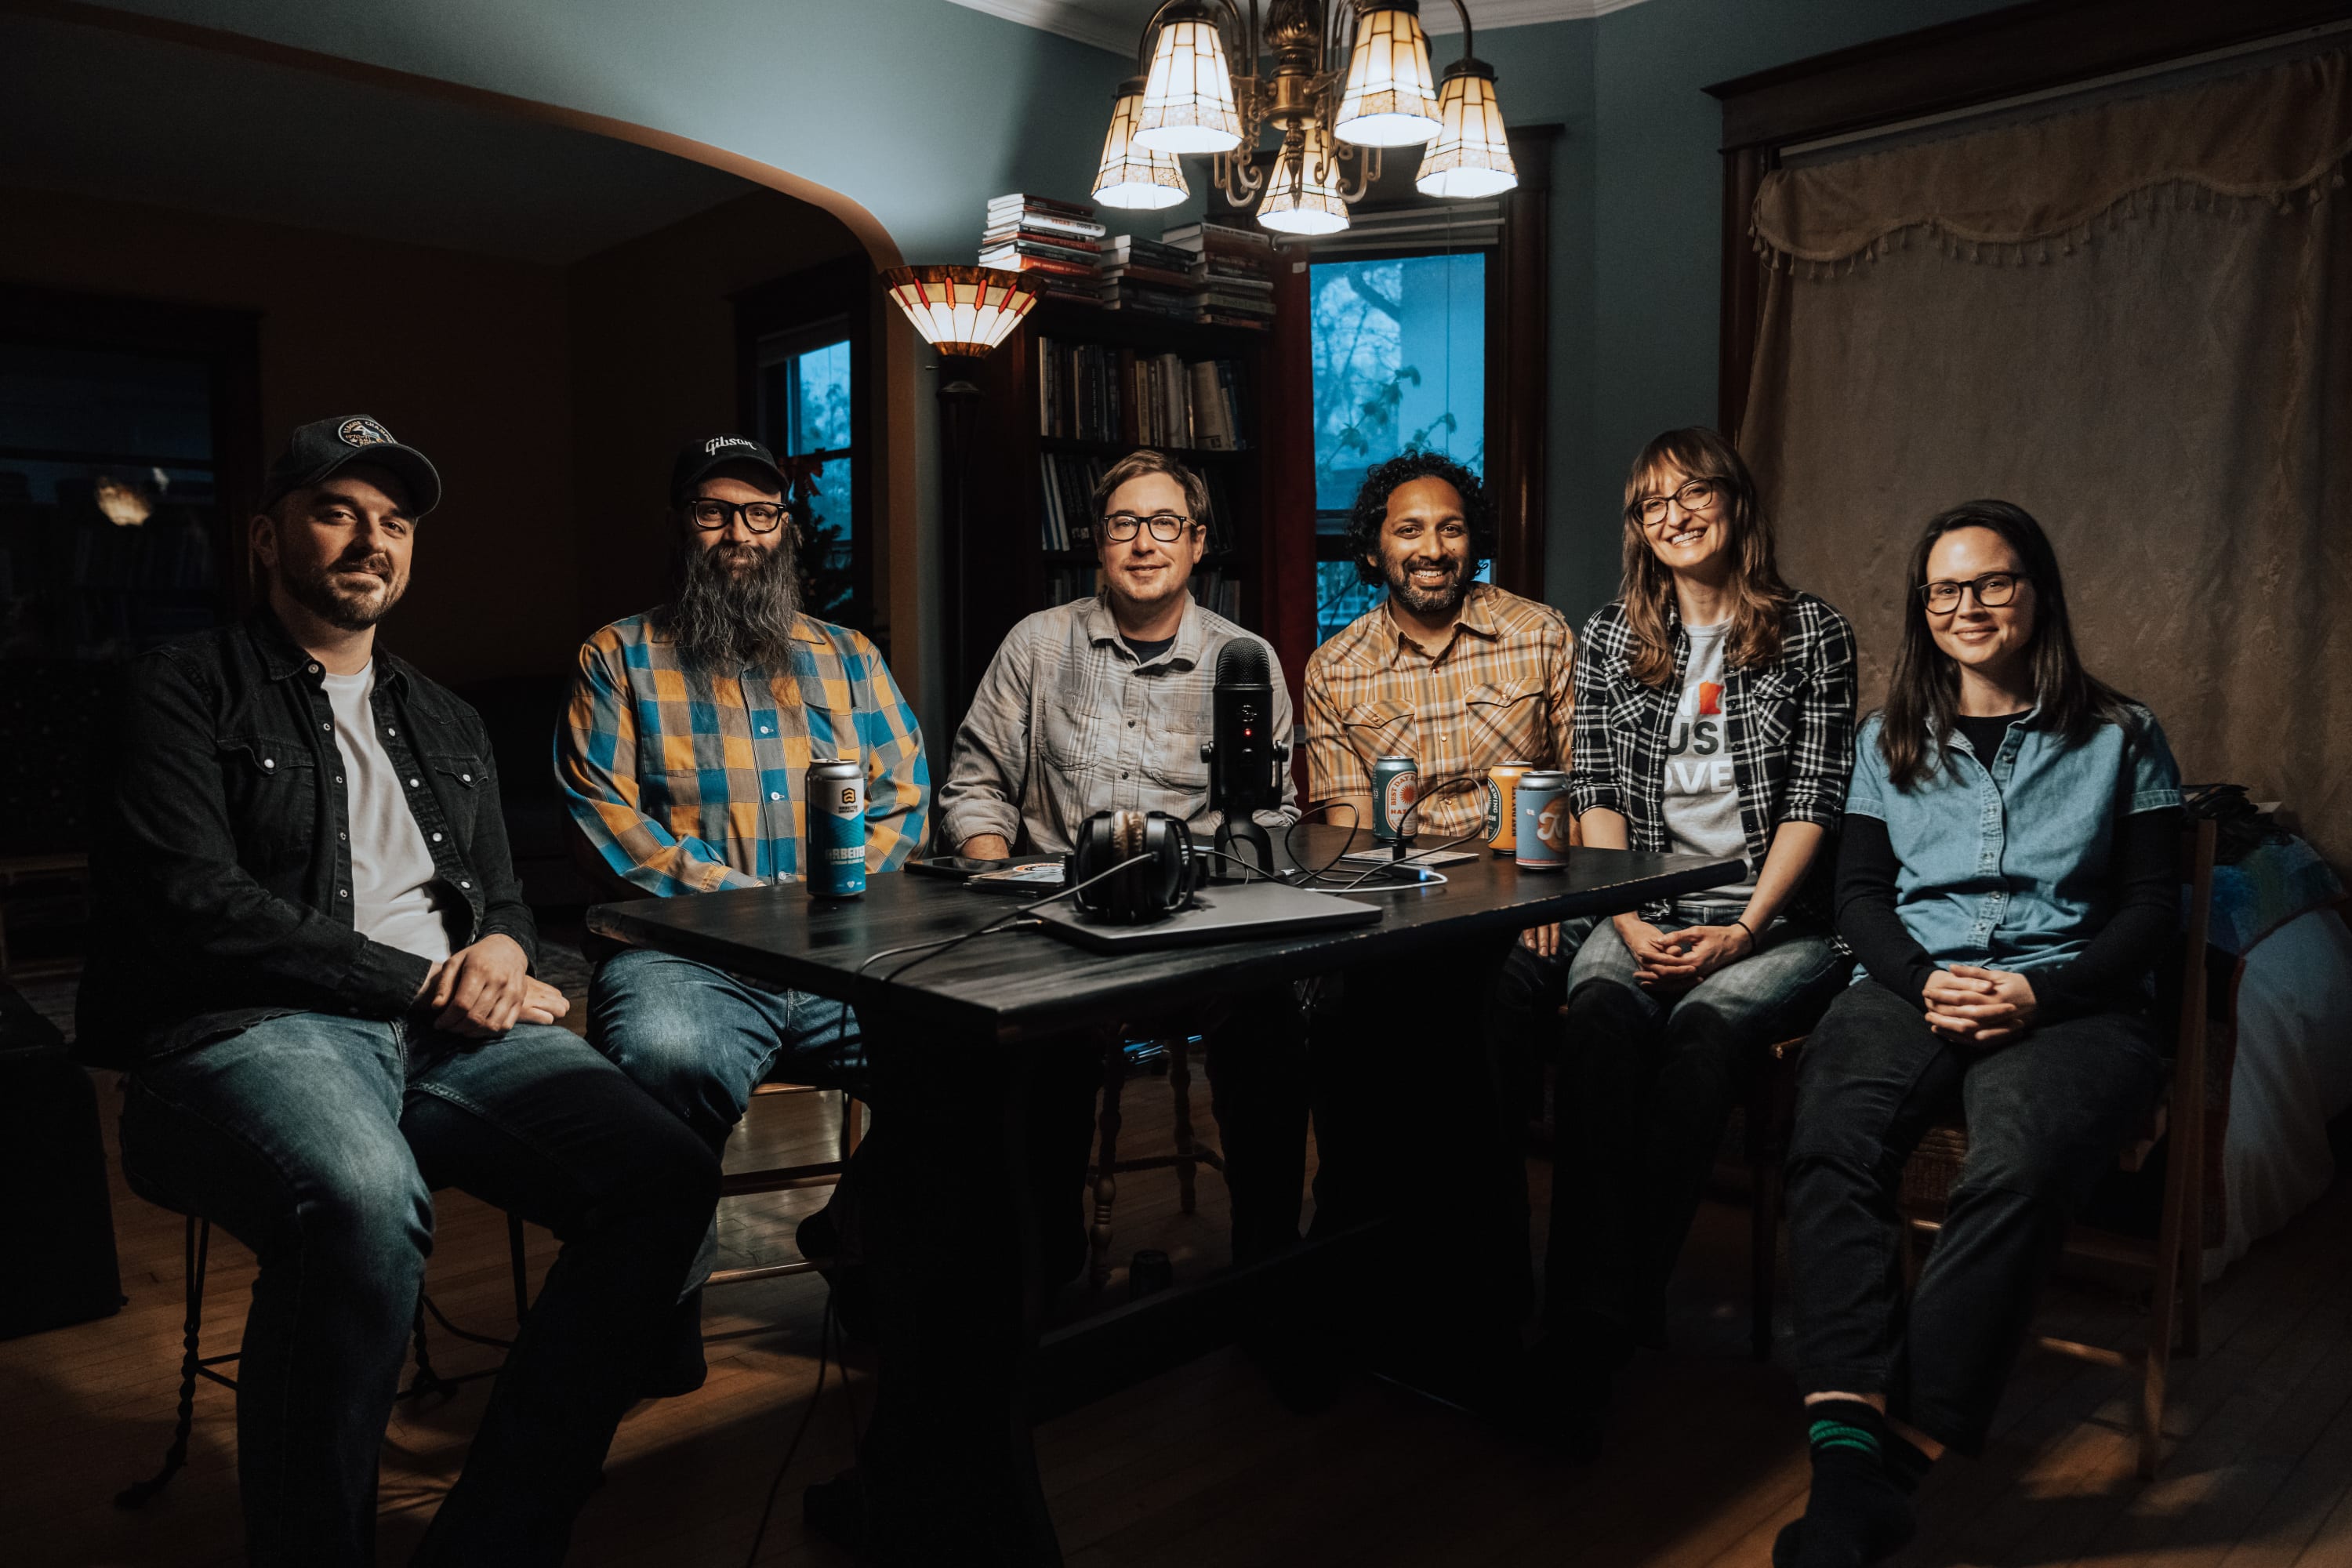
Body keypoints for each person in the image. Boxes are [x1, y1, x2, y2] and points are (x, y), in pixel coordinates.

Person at [80, 416, 720, 1567]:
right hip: (251, 1031)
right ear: (268, 537)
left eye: (396, 521)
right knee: (364, 1207)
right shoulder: (181, 688)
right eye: (338, 511)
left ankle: (496, 1536)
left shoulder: (447, 717)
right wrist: (428, 979)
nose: (371, 539)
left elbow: (507, 900)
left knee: (665, 1177)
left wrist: (509, 955)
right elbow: (196, 905)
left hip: (447, 1033)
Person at [1777, 502, 2184, 1568]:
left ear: (2038, 591)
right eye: (1945, 589)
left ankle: (1888, 1466)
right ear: (1923, 608)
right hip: (1911, 984)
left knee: (2018, 1167)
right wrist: (1924, 982)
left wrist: (2038, 996)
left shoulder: (2122, 736)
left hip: (2072, 1000)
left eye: (1993, 583)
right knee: (1829, 1140)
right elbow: (1859, 898)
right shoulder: (1886, 738)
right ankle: (1844, 1462)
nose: (1968, 607)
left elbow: (2151, 915)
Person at [554, 433, 927, 1378]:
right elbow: (607, 818)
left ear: (786, 529)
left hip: (846, 951)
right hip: (689, 959)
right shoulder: (618, 656)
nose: (739, 533)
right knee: (663, 1060)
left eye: (760, 513)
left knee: (959, 1056)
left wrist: (830, 898)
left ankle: (856, 1235)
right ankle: (659, 1306)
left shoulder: (848, 658)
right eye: (714, 511)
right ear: (683, 526)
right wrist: (755, 903)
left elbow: (904, 801)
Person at [1531, 427, 1857, 1451]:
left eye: (1692, 494)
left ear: (1737, 502)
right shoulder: (1611, 636)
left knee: (1709, 1029)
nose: (1671, 516)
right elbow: (1592, 797)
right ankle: (1600, 1313)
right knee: (1597, 1013)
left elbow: (1815, 801)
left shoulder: (1812, 633)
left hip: (1777, 917)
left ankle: (1599, 1320)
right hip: (1642, 897)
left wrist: (1744, 929)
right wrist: (1624, 916)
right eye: (1649, 504)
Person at [937, 447, 1308, 1265]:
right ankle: (1047, 1283)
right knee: (1023, 1050)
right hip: (1058, 934)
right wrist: (1001, 880)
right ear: (1099, 542)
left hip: (1196, 933)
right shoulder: (1036, 645)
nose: (1145, 542)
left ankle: (1267, 1273)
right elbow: (974, 786)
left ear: (1198, 541)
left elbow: (1271, 815)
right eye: (1124, 525)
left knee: (1271, 1022)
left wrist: (1219, 882)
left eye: (1165, 523)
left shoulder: (1244, 662)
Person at [1298, 452, 1575, 1378]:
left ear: (1474, 541)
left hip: (1521, 902)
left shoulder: (1538, 634)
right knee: (1341, 1017)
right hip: (1400, 907)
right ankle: (1350, 1289)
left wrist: (1536, 894)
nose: (1432, 547)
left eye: (1450, 528)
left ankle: (1491, 1310)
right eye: (1408, 530)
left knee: (1493, 1031)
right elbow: (1344, 831)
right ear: (1375, 548)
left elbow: (1580, 790)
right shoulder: (1335, 669)